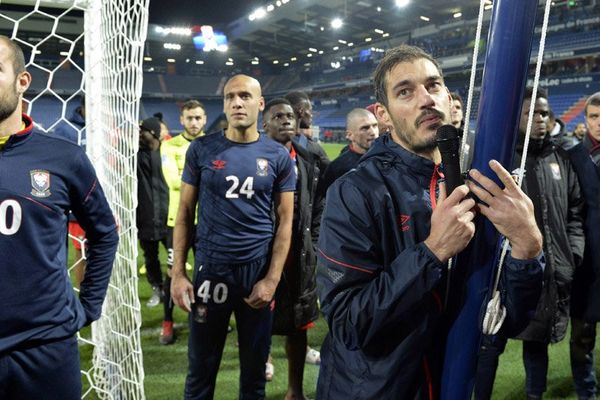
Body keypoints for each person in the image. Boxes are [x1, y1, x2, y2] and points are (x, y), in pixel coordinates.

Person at [316, 44, 544, 399]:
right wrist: (433, 251)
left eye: (433, 85)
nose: (426, 99)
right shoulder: (354, 193)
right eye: (405, 91)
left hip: (455, 384)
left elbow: (506, 321)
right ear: (384, 115)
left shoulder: (478, 186)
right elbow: (348, 323)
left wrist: (528, 247)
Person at [0, 36, 119, 400]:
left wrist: (89, 306)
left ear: (23, 81)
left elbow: (105, 232)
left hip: (45, 347)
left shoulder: (63, 158)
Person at [170, 74, 295, 399]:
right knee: (200, 371)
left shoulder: (278, 156)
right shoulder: (202, 149)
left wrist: (272, 279)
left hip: (256, 274)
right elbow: (184, 213)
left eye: (245, 96)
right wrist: (178, 274)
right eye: (230, 97)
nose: (237, 103)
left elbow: (285, 223)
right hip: (211, 273)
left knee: (254, 375)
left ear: (260, 103)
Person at [475, 87, 585, 400]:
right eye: (531, 113)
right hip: (505, 276)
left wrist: (572, 253)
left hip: (551, 269)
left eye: (544, 113)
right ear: (517, 119)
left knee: (538, 340)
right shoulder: (500, 159)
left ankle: (534, 395)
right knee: (490, 345)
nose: (540, 119)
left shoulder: (559, 157)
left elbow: (575, 210)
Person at [263, 97, 323, 400]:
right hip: (262, 254)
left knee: (299, 326)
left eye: (289, 115)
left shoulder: (309, 156)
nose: (287, 120)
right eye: (278, 116)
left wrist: (314, 238)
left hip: (298, 252)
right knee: (258, 320)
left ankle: (295, 391)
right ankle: (261, 370)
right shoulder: (252, 158)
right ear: (264, 124)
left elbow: (321, 198)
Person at [159, 99, 207, 345]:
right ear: (182, 120)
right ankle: (167, 322)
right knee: (173, 272)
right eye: (190, 118)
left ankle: (200, 315)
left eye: (198, 118)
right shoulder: (169, 146)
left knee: (204, 273)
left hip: (207, 222)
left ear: (205, 119)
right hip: (176, 221)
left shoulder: (212, 145)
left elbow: (185, 180)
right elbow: (174, 181)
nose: (194, 122)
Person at [569, 92, 600, 400]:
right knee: (582, 336)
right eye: (593, 116)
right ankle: (586, 392)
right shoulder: (573, 156)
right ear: (585, 119)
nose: (599, 123)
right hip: (587, 264)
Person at [53, 96, 88, 286]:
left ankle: (98, 295)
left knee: (103, 248)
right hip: (76, 199)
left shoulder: (105, 125)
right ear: (83, 106)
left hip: (100, 196)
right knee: (81, 250)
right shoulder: (65, 128)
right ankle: (82, 294)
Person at [137, 117, 169, 308]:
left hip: (168, 216)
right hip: (145, 216)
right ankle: (157, 290)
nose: (141, 133)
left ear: (154, 133)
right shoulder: (136, 155)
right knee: (150, 257)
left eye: (144, 130)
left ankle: (173, 289)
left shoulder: (168, 152)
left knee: (175, 256)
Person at [319, 108, 379, 195]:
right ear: (350, 135)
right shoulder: (337, 167)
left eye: (375, 126)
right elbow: (324, 198)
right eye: (365, 128)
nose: (373, 132)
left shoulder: (391, 159)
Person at [285, 90, 330, 171]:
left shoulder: (271, 144)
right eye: (310, 110)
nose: (312, 114)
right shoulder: (314, 150)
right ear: (301, 112)